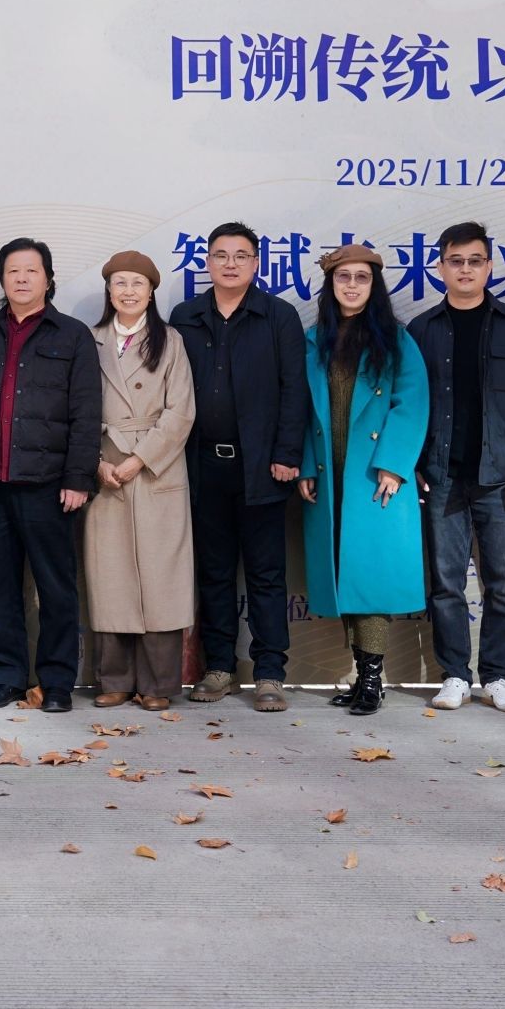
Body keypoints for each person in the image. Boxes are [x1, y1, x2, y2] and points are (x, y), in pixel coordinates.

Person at [408, 222, 505, 714]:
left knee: (503, 583)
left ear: (489, 266)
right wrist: (414, 463)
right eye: (456, 261)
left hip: (503, 477)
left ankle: (496, 676)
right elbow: (410, 405)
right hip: (442, 475)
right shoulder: (422, 330)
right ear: (440, 267)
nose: (465, 269)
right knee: (446, 582)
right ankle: (454, 674)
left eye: (475, 261)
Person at [169, 223, 308, 712]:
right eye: (221, 255)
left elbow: (295, 389)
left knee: (267, 574)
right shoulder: (185, 317)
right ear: (207, 262)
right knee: (214, 572)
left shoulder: (279, 316)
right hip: (202, 465)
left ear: (256, 263)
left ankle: (270, 672)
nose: (230, 264)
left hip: (262, 466)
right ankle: (219, 668)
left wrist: (287, 454)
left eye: (241, 255)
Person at [297, 244, 429, 717]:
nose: (352, 285)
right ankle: (361, 676)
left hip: (373, 475)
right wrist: (306, 465)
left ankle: (372, 680)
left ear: (375, 286)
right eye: (343, 277)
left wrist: (393, 464)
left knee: (370, 576)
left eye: (362, 277)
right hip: (329, 473)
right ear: (330, 285)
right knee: (343, 577)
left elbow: (412, 403)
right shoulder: (314, 340)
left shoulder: (396, 340)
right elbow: (301, 410)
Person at [0, 237, 102, 714]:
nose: (22, 278)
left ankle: (57, 682)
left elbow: (87, 413)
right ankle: (7, 678)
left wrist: (78, 478)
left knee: (56, 588)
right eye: (13, 271)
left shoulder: (72, 335)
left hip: (50, 485)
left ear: (48, 278)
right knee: (1, 587)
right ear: (2, 279)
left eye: (31, 270)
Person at [86, 251, 197, 711]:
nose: (128, 291)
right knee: (109, 576)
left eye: (137, 283)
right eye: (119, 283)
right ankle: (113, 679)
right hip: (104, 469)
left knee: (160, 577)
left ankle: (157, 685)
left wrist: (140, 459)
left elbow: (181, 411)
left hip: (157, 469)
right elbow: (76, 407)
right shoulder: (89, 339)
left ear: (151, 292)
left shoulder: (170, 340)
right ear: (108, 291)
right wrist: (95, 461)